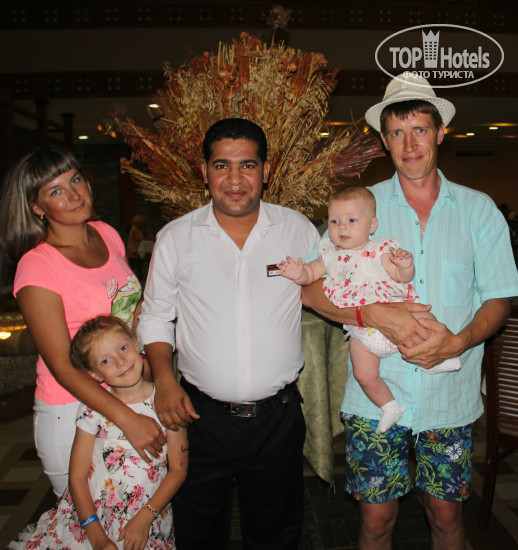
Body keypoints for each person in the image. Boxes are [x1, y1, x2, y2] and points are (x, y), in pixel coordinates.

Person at [301, 73, 518, 550]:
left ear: (440, 133)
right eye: (397, 133)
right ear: (384, 141)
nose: (410, 144)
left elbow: (499, 298)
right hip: (375, 397)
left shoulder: (479, 210)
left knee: (446, 517)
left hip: (450, 398)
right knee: (376, 522)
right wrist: (370, 314)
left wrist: (459, 342)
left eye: (420, 129)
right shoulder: (359, 206)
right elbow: (311, 291)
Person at [137, 117, 321, 549]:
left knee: (276, 534)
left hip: (277, 419)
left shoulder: (297, 229)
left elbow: (330, 288)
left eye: (248, 165)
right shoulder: (176, 238)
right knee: (198, 532)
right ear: (205, 171)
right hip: (200, 418)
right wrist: (164, 380)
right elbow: (156, 316)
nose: (235, 180)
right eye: (222, 166)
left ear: (266, 171)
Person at [0, 148, 165, 498]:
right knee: (90, 522)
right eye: (55, 191)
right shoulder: (38, 266)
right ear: (36, 207)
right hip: (72, 409)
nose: (74, 195)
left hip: (127, 392)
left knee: (139, 513)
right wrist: (127, 419)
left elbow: (126, 312)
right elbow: (62, 366)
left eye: (75, 180)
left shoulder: (106, 234)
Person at [279, 185, 459, 435]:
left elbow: (402, 277)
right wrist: (298, 272)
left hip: (394, 310)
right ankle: (389, 407)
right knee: (363, 374)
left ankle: (440, 358)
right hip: (363, 330)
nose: (342, 227)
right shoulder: (329, 254)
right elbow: (310, 275)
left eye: (352, 220)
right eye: (334, 221)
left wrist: (405, 265)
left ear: (372, 225)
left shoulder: (379, 249)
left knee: (422, 316)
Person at [9, 315, 187, 550]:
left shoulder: (167, 403)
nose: (120, 361)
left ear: (136, 344)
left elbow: (178, 470)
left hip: (148, 519)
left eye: (123, 348)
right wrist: (96, 536)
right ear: (94, 375)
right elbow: (77, 476)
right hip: (93, 522)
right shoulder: (93, 409)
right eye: (105, 361)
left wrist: (144, 519)